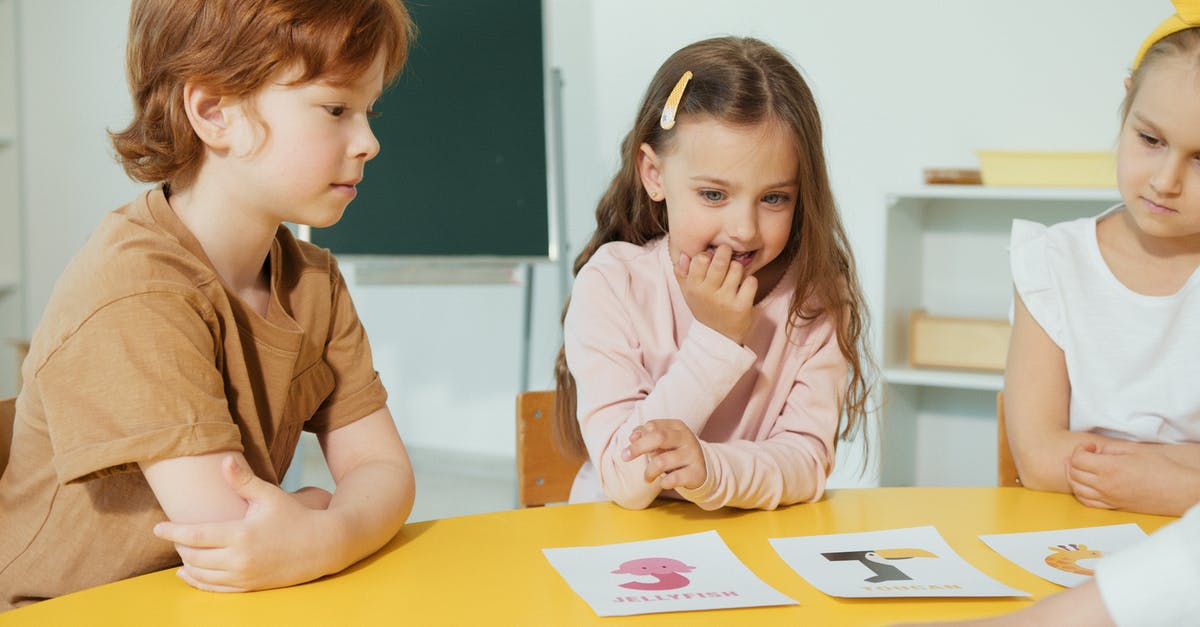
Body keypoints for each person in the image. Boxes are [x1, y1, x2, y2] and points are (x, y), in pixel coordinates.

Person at [0, 0, 416, 610]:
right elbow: (232, 534)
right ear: (215, 112)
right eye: (335, 109)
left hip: (208, 604)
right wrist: (322, 517)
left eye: (368, 111)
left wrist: (323, 533)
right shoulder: (136, 289)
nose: (369, 142)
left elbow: (386, 473)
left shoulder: (314, 283)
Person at [553, 36, 873, 511]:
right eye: (714, 195)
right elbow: (625, 478)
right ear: (654, 174)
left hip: (748, 549)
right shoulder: (612, 285)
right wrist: (717, 340)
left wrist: (712, 469)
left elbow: (806, 461)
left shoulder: (815, 298)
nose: (744, 231)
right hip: (623, 553)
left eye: (774, 198)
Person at [1004, 0, 1200, 517]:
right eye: (1151, 140)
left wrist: (1172, 488)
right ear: (1127, 99)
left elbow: (1060, 456)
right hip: (1073, 535)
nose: (1166, 181)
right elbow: (1039, 456)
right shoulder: (1052, 264)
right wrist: (1171, 474)